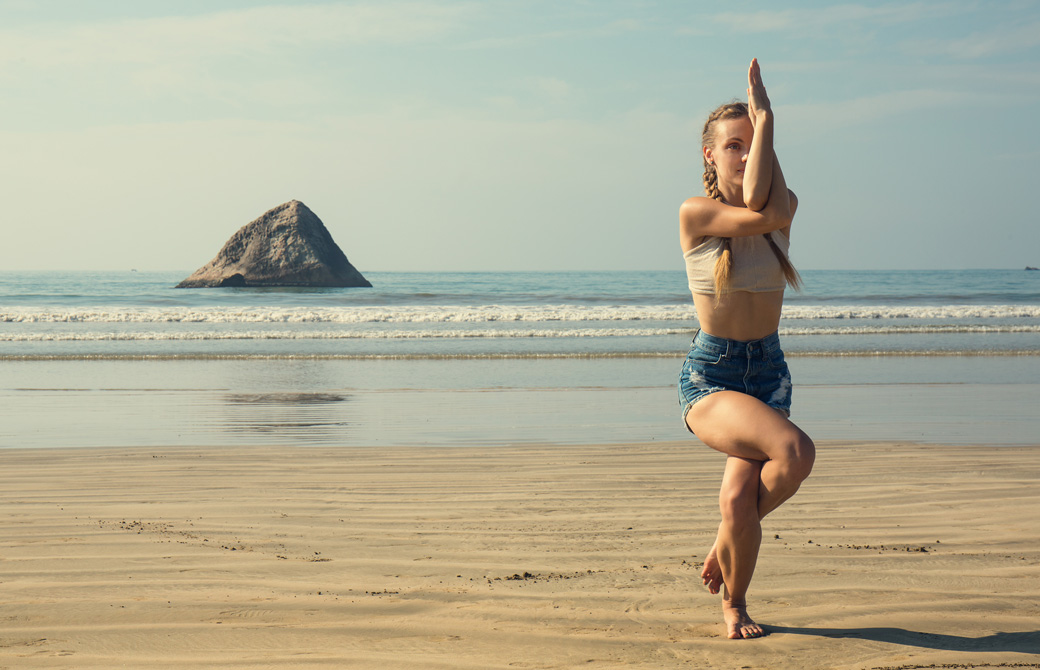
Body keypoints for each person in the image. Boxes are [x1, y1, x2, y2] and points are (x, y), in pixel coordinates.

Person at [677, 58, 815, 640]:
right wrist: (766, 113)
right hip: (713, 377)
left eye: (752, 144)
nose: (743, 153)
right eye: (733, 144)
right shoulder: (697, 215)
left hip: (769, 375)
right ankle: (728, 542)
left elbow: (772, 203)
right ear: (711, 154)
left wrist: (764, 125)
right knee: (796, 452)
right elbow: (761, 205)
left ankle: (734, 603)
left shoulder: (784, 210)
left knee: (738, 500)